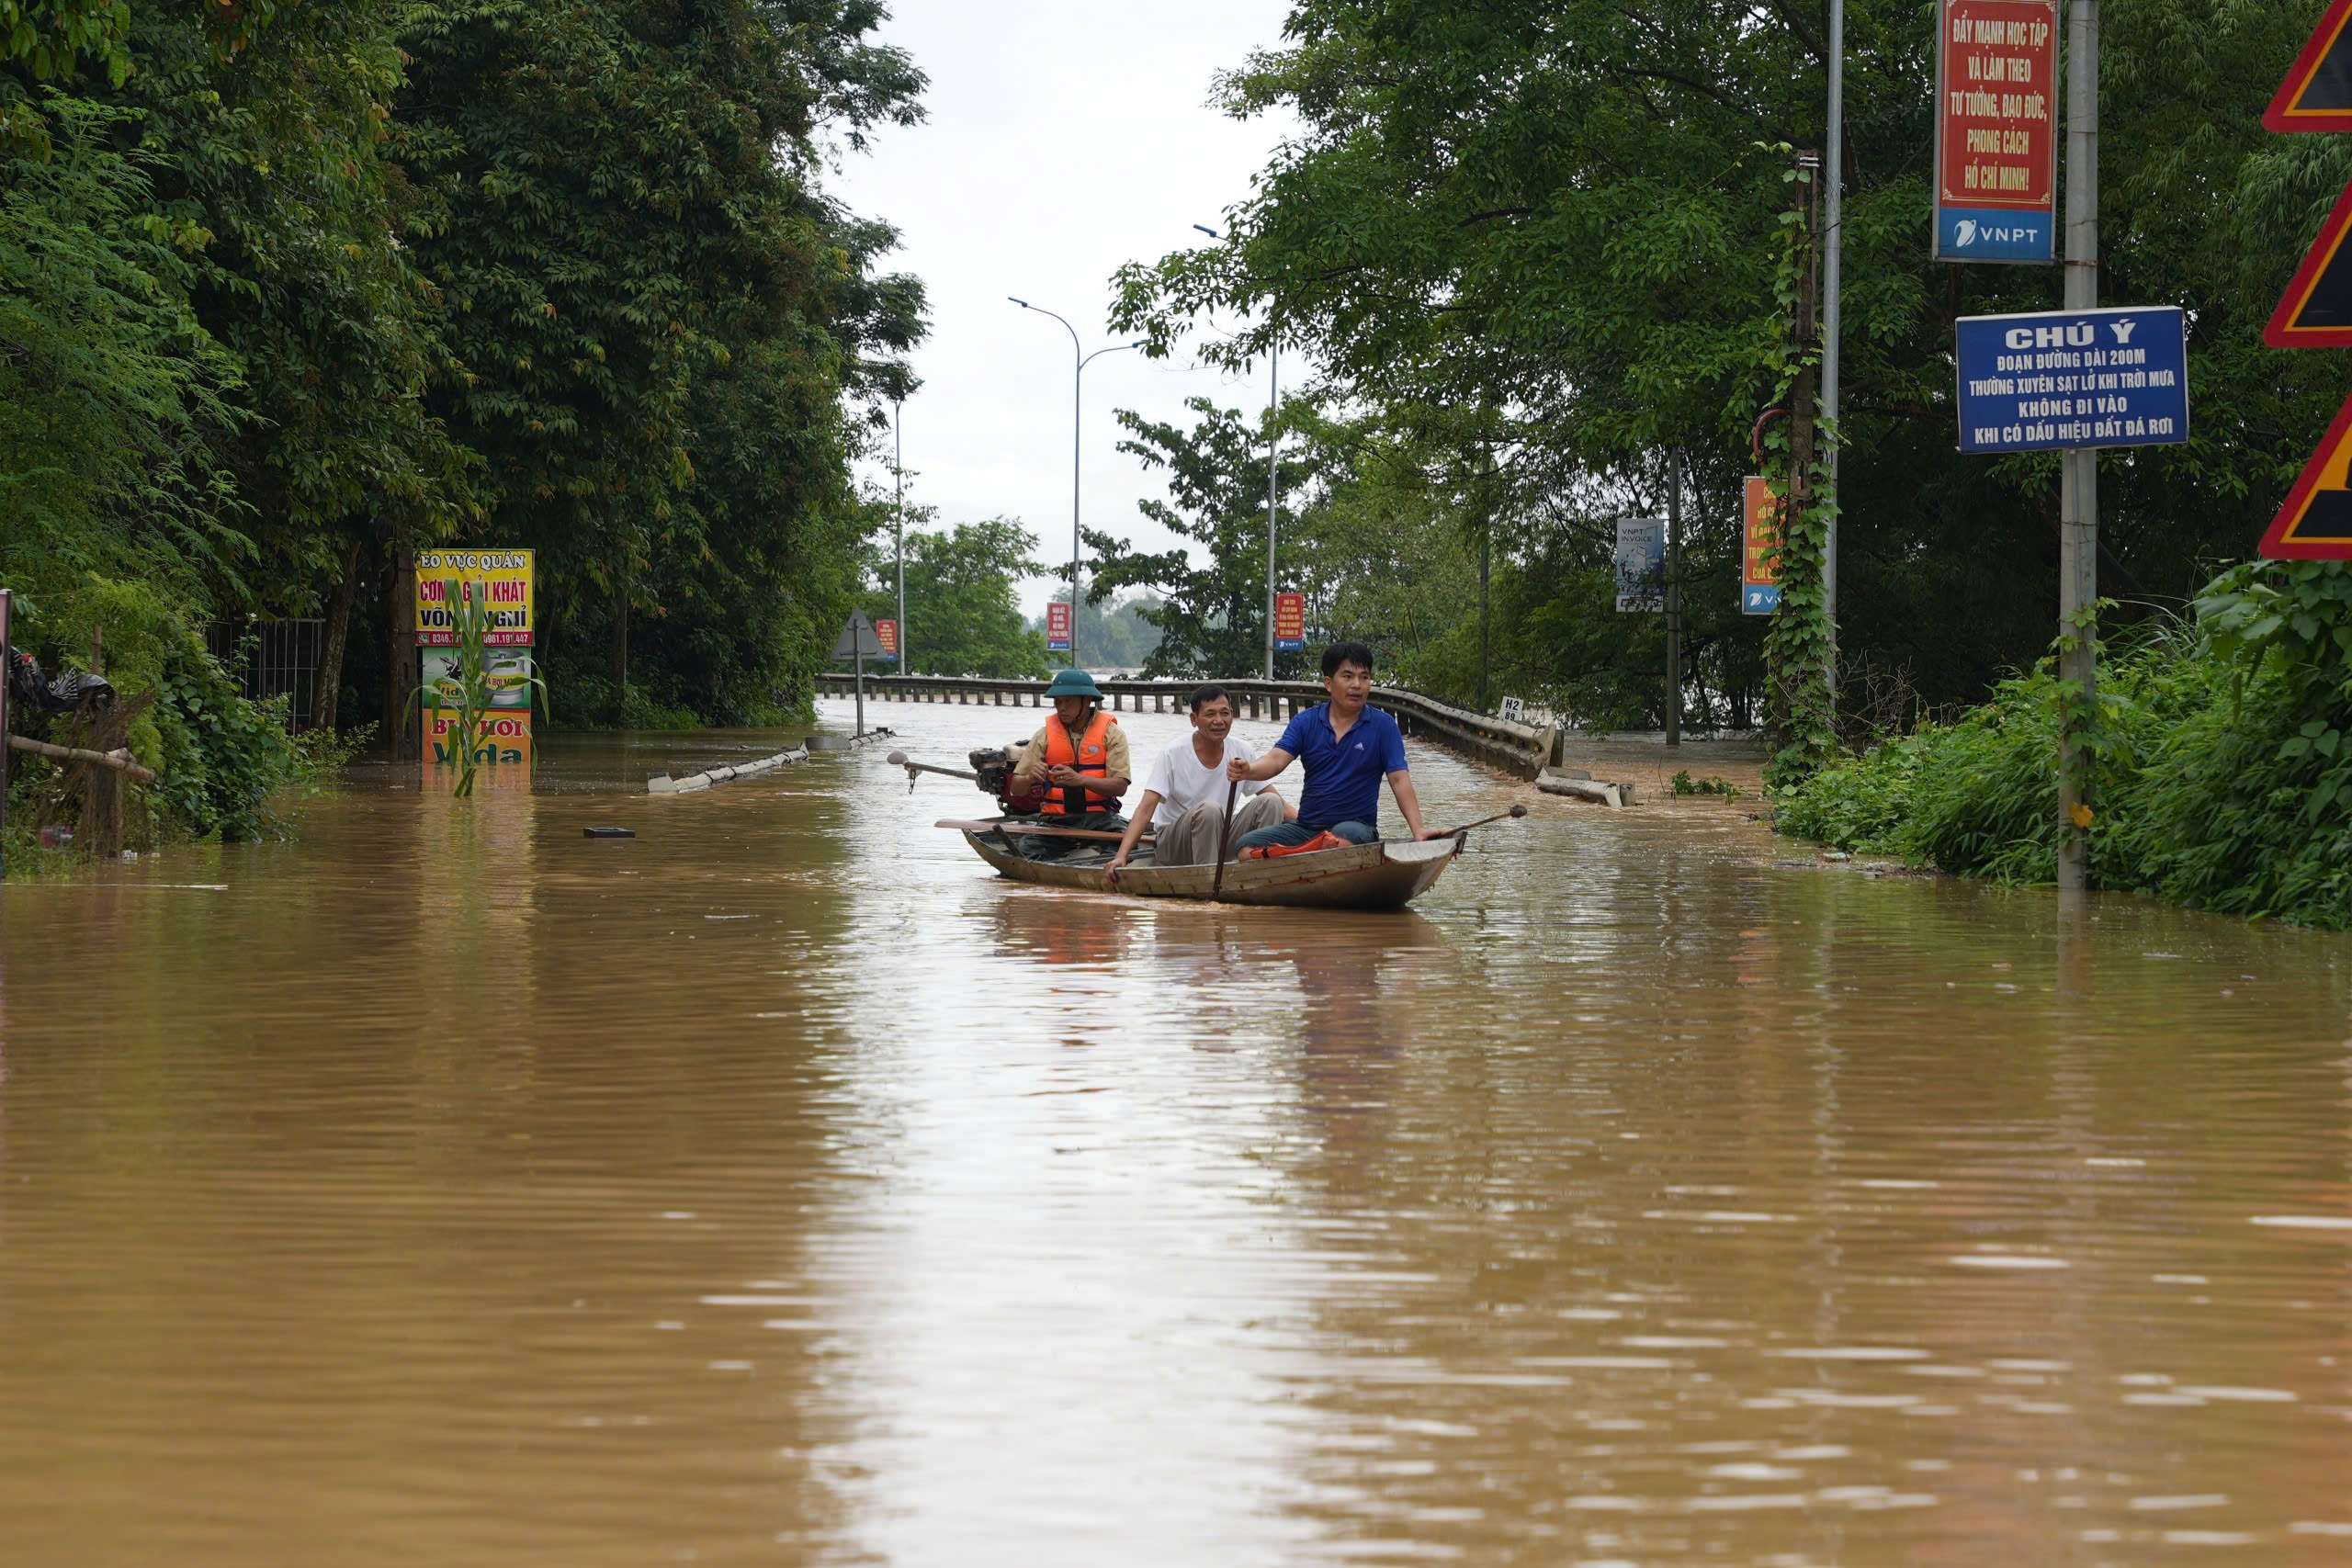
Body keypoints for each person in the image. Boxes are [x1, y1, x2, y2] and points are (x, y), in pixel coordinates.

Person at [1228, 640, 1439, 851]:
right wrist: (1248, 770)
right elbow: (1276, 760)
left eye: (1364, 677)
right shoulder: (1306, 722)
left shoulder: (1383, 726)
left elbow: (1399, 779)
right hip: (1308, 828)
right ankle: (1307, 852)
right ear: (1328, 683)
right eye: (1347, 677)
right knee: (1245, 848)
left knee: (1339, 842)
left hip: (1356, 829)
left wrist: (1418, 830)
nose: (1357, 684)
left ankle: (1300, 854)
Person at [1104, 683, 1293, 880]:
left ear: (1232, 715)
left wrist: (1314, 826)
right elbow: (1146, 808)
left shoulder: (1241, 750)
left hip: (1218, 837)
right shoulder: (1173, 753)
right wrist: (1121, 856)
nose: (1219, 721)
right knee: (1209, 810)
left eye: (1224, 713)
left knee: (1271, 801)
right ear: (1194, 719)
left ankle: (1261, 874)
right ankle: (1207, 881)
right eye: (1210, 714)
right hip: (1174, 845)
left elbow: (1277, 800)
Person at [1009, 668, 1130, 856]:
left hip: (1100, 820)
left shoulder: (1112, 734)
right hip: (1055, 821)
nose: (1061, 707)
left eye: (1068, 701)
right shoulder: (1044, 735)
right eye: (1058, 702)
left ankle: (1097, 860)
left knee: (1127, 845)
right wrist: (1030, 778)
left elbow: (1120, 787)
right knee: (1024, 851)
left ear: (1087, 701)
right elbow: (1016, 788)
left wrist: (1081, 780)